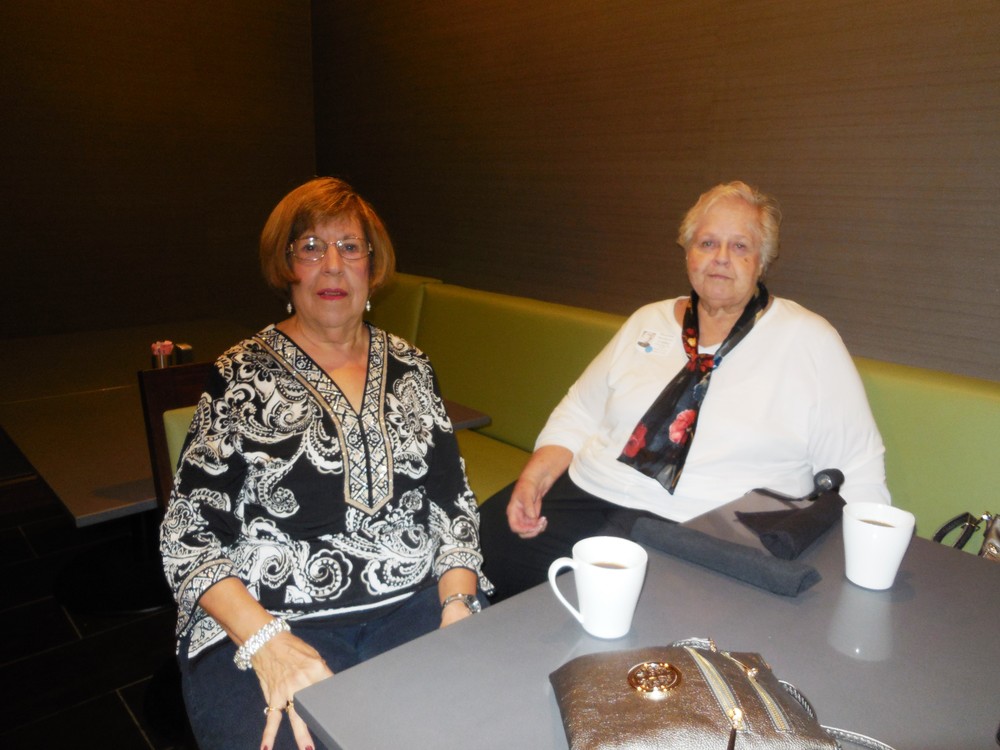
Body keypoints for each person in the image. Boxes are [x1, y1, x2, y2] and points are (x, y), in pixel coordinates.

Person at [160, 177, 492, 750]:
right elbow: (187, 533)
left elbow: (453, 504)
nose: (332, 265)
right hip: (273, 617)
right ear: (287, 267)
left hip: (417, 605)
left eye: (350, 247)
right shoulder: (241, 374)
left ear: (372, 267)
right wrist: (266, 643)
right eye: (311, 247)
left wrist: (459, 603)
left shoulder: (412, 365)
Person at [479, 180, 890, 601]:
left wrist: (866, 573)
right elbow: (580, 411)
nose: (721, 258)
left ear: (762, 261)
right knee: (477, 546)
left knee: (611, 614)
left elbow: (858, 466)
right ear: (688, 252)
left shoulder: (808, 339)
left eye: (740, 246)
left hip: (703, 527)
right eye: (707, 243)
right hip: (591, 491)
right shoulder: (648, 320)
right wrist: (534, 478)